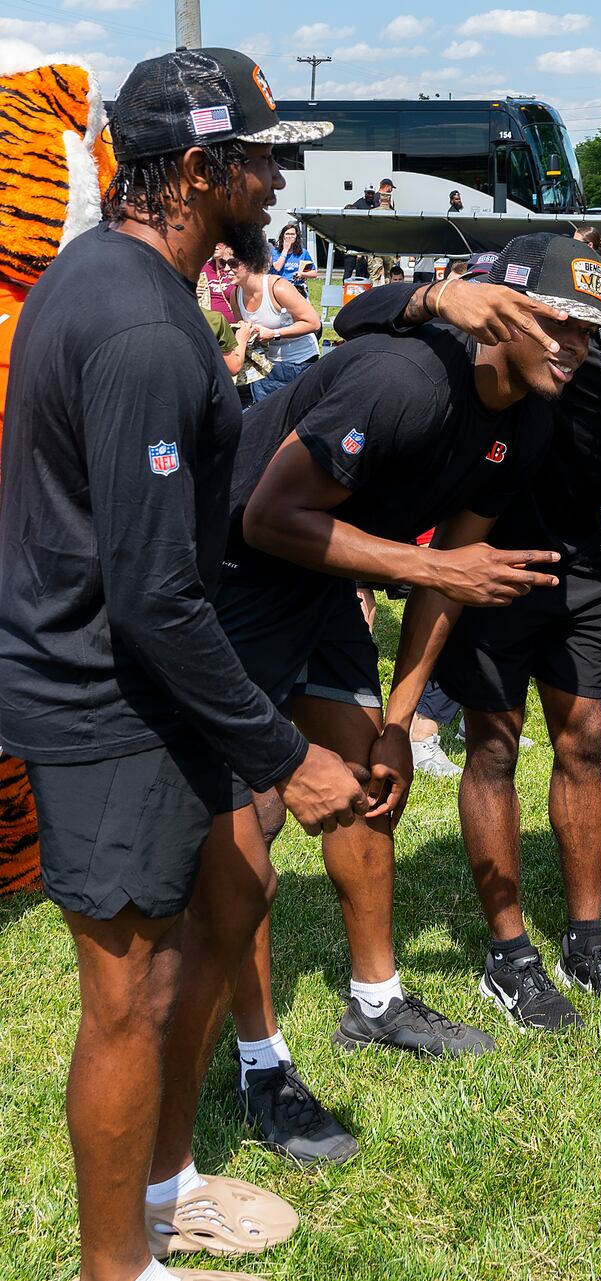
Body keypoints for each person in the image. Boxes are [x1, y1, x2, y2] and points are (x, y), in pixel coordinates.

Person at [0, 47, 365, 1281]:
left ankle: (166, 1188)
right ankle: (123, 1269)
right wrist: (285, 755)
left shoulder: (110, 276)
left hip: (153, 684)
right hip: (106, 701)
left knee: (237, 899)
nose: (279, 183)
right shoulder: (141, 328)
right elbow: (153, 594)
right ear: (200, 168)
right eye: (264, 159)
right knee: (130, 998)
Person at [217, 233, 601, 1163]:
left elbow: (453, 583)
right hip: (231, 574)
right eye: (555, 322)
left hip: (322, 581)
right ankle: (257, 1059)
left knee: (367, 784)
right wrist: (433, 562)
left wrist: (402, 719)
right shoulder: (403, 380)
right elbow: (267, 516)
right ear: (501, 311)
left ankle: (377, 1001)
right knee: (242, 820)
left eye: (588, 333)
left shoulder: (535, 416)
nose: (573, 347)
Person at [337, 196, 601, 1032]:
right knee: (492, 740)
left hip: (585, 558)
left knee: (585, 737)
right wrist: (436, 294)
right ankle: (507, 951)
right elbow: (356, 316)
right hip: (485, 547)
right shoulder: (548, 319)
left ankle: (586, 939)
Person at [230, 236, 321, 401]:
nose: (227, 269)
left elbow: (313, 323)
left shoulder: (278, 287)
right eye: (224, 264)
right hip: (264, 366)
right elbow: (244, 327)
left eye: (233, 263)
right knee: (266, 421)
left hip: (298, 363)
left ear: (251, 262)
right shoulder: (235, 294)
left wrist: (274, 333)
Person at [270, 222, 315, 292]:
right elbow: (277, 267)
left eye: (292, 234)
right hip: (280, 288)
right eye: (287, 234)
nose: (290, 236)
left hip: (298, 288)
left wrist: (302, 274)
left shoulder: (303, 253)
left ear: (296, 236)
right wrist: (285, 250)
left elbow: (314, 273)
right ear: (283, 236)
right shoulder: (275, 251)